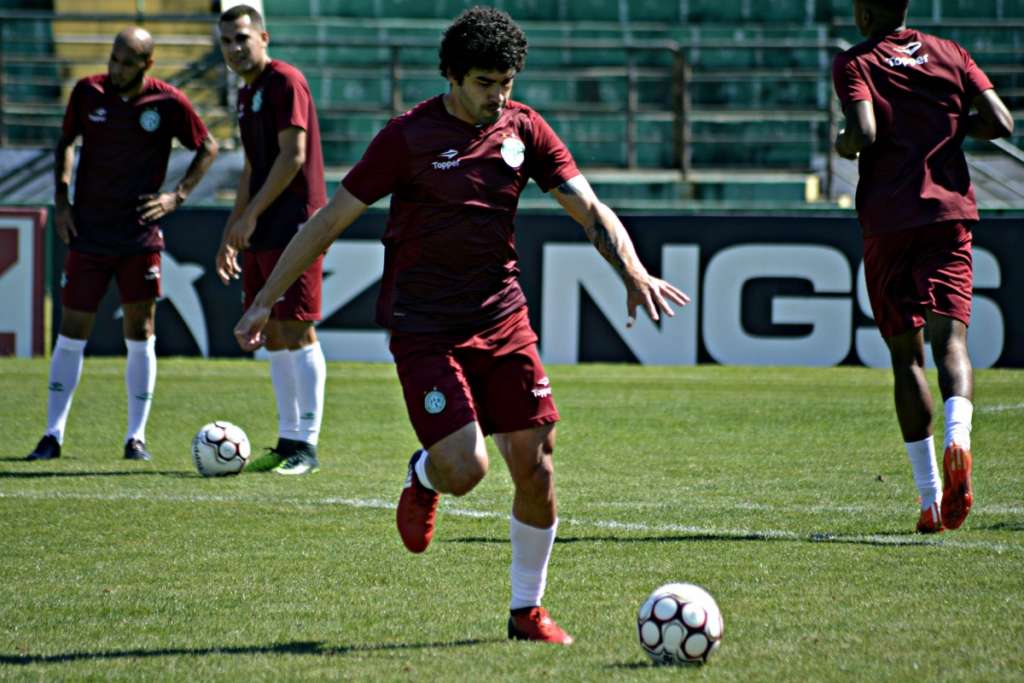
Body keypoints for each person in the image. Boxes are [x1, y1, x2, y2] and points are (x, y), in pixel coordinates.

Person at [233, 6, 690, 643]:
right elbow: (330, 220)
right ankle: (425, 475)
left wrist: (633, 271)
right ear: (451, 75)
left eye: (506, 82)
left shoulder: (524, 127)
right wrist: (265, 299)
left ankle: (526, 611)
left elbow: (589, 207)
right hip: (425, 325)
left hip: (502, 316)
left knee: (537, 466)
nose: (496, 95)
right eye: (484, 82)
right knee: (466, 470)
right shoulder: (407, 136)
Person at [832, 0, 1014, 533]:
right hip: (948, 214)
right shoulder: (951, 53)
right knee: (951, 344)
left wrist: (842, 144)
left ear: (866, 13)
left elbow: (863, 132)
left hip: (889, 219)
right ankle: (960, 438)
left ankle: (931, 498)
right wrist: (950, 127)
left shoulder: (857, 61)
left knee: (906, 358)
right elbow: (1001, 121)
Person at [26, 27, 218, 462]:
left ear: (147, 65)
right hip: (89, 232)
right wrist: (62, 201)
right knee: (72, 330)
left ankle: (136, 437)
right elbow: (65, 143)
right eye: (114, 58)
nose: (116, 68)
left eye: (127, 62)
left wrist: (177, 196)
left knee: (141, 331)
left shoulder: (167, 102)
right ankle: (52, 434)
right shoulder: (87, 92)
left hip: (139, 233)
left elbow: (207, 146)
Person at [216, 4, 328, 475]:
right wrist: (233, 228)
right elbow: (252, 166)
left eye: (242, 38)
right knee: (273, 331)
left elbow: (293, 156)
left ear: (263, 37)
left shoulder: (285, 81)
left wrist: (251, 215)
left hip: (296, 223)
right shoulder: (247, 93)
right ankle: (287, 440)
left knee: (297, 326)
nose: (235, 48)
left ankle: (308, 446)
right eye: (227, 41)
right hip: (264, 225)